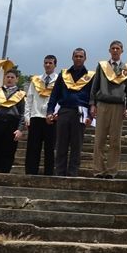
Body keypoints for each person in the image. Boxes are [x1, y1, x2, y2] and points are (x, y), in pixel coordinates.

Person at [46, 48, 95, 177]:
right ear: (72, 58)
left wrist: (91, 115)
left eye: (81, 56)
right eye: (76, 56)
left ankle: (72, 173)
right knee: (61, 143)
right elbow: (54, 94)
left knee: (76, 145)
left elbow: (92, 97)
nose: (78, 58)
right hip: (64, 111)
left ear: (85, 58)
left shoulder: (90, 76)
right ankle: (59, 172)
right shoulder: (64, 74)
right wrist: (50, 111)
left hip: (81, 112)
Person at [89, 40, 127, 179]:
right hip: (102, 104)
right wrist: (92, 104)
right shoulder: (102, 66)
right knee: (100, 139)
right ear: (109, 50)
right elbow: (94, 86)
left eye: (118, 48)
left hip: (118, 106)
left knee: (115, 140)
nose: (115, 50)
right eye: (113, 48)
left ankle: (111, 171)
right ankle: (98, 170)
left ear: (122, 51)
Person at [24, 55, 59, 176]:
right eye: (46, 63)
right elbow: (29, 98)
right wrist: (27, 116)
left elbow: (60, 99)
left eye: (50, 63)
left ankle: (49, 173)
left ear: (55, 65)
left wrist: (56, 113)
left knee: (50, 148)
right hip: (36, 116)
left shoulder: (60, 79)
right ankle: (31, 172)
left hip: (51, 118)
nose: (48, 65)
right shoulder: (36, 79)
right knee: (33, 147)